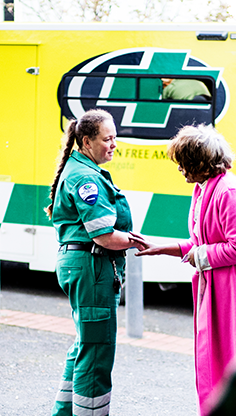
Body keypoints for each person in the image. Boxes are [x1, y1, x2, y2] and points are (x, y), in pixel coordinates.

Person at [131, 125, 236, 415]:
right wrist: (160, 247)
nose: (180, 170)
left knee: (232, 364)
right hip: (217, 290)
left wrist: (197, 254)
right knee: (215, 362)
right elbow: (201, 242)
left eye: (184, 164)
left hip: (235, 295)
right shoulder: (204, 187)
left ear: (200, 163)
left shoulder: (230, 192)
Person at [45, 109, 136, 416]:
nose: (114, 144)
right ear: (86, 141)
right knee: (96, 351)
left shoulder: (81, 168)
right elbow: (104, 236)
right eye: (107, 139)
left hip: (84, 265)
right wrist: (143, 243)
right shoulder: (86, 176)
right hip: (92, 267)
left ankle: (64, 411)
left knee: (85, 343)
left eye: (115, 137)